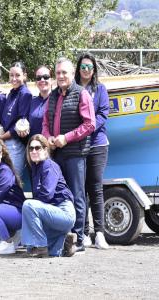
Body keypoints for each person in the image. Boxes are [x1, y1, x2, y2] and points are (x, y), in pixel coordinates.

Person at [42, 57, 96, 253]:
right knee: (61, 196)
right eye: (58, 73)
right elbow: (46, 124)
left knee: (77, 195)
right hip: (56, 154)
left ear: (73, 74)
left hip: (75, 153)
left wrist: (67, 137)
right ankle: (64, 238)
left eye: (64, 72)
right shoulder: (53, 96)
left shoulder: (82, 94)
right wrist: (48, 138)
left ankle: (79, 240)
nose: (61, 76)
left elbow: (90, 124)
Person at [75, 53, 110, 250]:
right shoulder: (74, 89)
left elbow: (103, 114)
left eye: (89, 67)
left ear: (94, 69)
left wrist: (89, 128)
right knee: (80, 189)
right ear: (78, 69)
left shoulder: (100, 89)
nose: (86, 70)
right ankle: (84, 232)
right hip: (78, 145)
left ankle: (99, 233)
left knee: (95, 188)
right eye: (83, 66)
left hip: (97, 143)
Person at [21, 134, 77, 257]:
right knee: (51, 252)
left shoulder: (49, 165)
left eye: (37, 148)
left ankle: (41, 246)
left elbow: (46, 195)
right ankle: (64, 242)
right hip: (53, 212)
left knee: (28, 206)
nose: (33, 151)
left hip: (64, 212)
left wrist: (31, 208)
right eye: (31, 148)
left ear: (46, 149)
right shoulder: (36, 167)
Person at [0, 61, 32, 179]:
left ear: (24, 76)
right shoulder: (12, 92)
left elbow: (20, 124)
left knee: (13, 180)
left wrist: (1, 137)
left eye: (17, 75)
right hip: (6, 142)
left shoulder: (25, 94)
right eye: (11, 75)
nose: (14, 78)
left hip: (15, 144)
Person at [28, 66, 52, 137]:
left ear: (52, 80)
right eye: (38, 78)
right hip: (33, 145)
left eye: (46, 77)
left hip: (50, 145)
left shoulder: (58, 100)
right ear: (36, 82)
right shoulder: (32, 101)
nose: (42, 80)